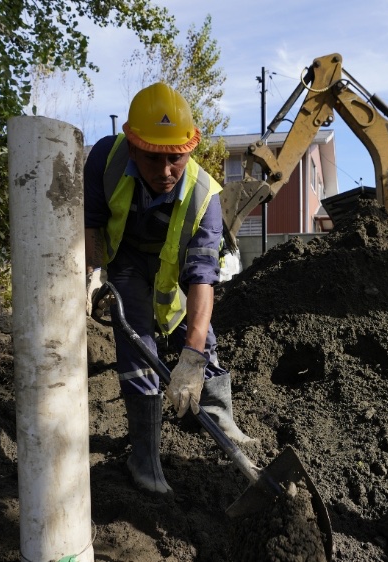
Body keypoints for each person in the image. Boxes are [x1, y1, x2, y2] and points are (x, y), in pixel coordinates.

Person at [84, 81, 253, 496]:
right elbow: (91, 222)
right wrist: (90, 274)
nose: (165, 172)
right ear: (133, 145)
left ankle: (216, 412)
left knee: (199, 337)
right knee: (138, 343)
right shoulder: (105, 161)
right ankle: (144, 452)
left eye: (175, 160)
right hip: (125, 263)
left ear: (189, 150)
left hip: (172, 268)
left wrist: (192, 357)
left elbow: (201, 279)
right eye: (153, 159)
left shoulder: (204, 197)